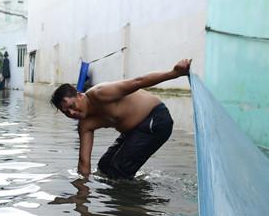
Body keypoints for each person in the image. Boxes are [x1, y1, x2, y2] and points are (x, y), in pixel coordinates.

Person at [51, 59, 191, 179]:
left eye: (72, 106)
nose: (72, 112)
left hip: (156, 119)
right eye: (66, 112)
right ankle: (127, 192)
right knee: (104, 166)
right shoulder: (85, 125)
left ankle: (130, 205)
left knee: (119, 168)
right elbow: (83, 162)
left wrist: (174, 73)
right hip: (134, 130)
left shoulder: (101, 93)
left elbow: (139, 81)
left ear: (79, 95)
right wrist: (82, 197)